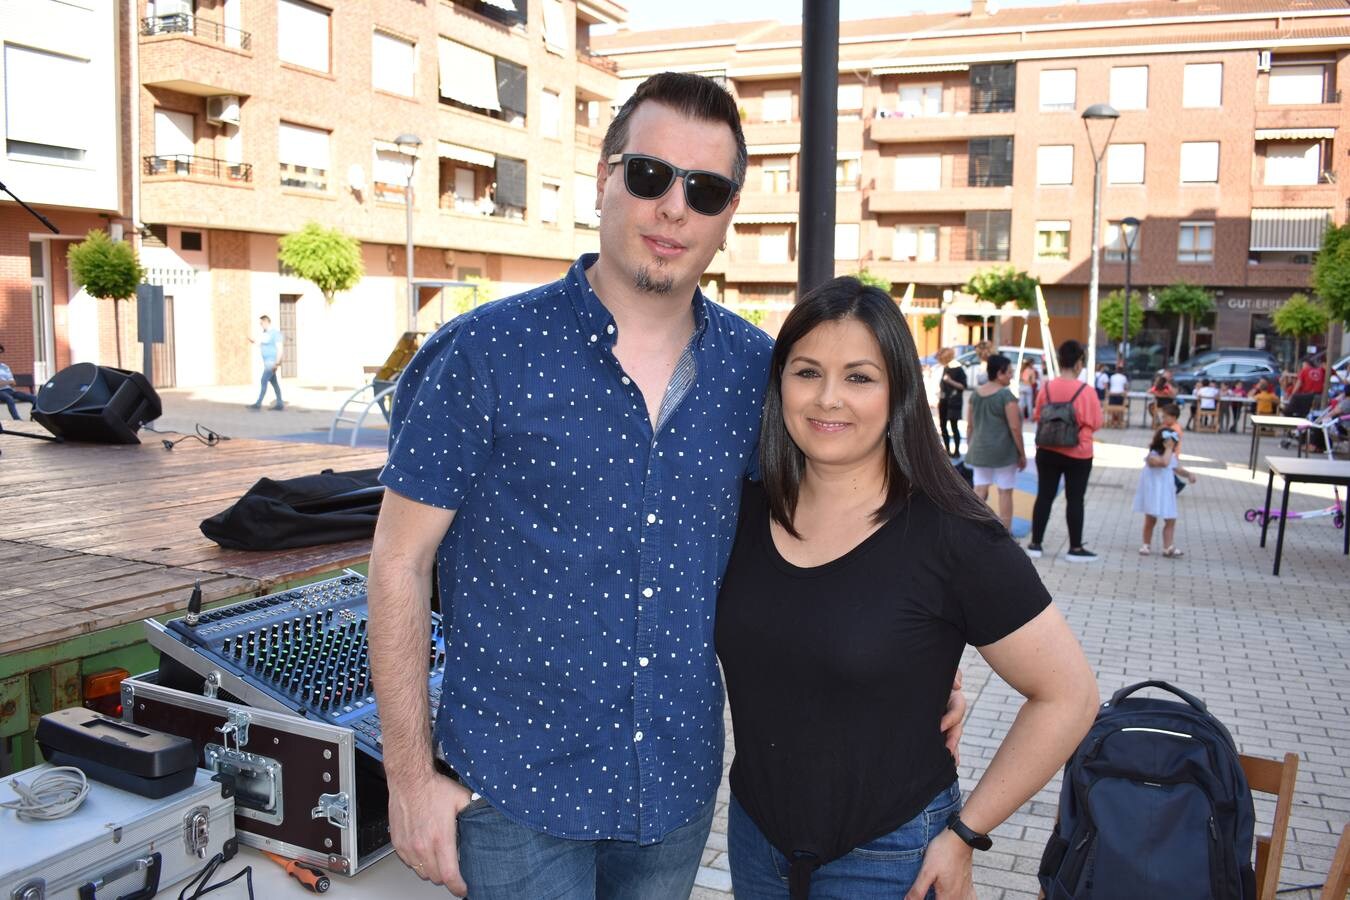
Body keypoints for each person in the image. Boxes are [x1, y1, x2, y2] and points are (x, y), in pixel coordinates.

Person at [365, 72, 966, 899]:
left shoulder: (758, 375)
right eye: (650, 176)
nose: (673, 208)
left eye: (706, 189)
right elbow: (399, 562)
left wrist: (920, 661)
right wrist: (407, 778)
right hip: (510, 792)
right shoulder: (482, 355)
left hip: (674, 792)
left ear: (728, 216)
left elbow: (826, 529)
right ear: (605, 177)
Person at [716, 279, 1098, 900]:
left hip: (895, 860)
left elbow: (1070, 697)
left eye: (859, 377)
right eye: (807, 371)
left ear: (898, 389)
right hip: (757, 843)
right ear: (778, 382)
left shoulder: (950, 533)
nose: (828, 398)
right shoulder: (742, 510)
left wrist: (967, 835)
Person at [1028, 339, 1103, 561]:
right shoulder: (1087, 391)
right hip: (1078, 452)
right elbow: (1096, 422)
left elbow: (1038, 415)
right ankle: (1075, 548)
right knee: (1075, 498)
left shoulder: (1047, 387)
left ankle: (1035, 544)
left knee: (1044, 496)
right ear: (1080, 363)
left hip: (1047, 448)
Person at [965, 353, 1026, 531]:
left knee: (979, 490)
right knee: (1005, 491)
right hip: (1003, 452)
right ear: (999, 373)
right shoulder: (1006, 397)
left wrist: (971, 446)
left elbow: (970, 426)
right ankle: (1005, 532)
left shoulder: (975, 395)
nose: (1011, 375)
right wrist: (1021, 453)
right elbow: (1015, 428)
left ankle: (974, 528)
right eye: (1009, 372)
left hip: (979, 449)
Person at [1133, 424, 1197, 558]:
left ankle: (1168, 546)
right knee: (1151, 519)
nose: (1173, 446)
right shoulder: (1152, 456)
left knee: (1170, 519)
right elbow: (1164, 463)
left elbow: (1176, 468)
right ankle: (1146, 544)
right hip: (1154, 493)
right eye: (1171, 443)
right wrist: (1169, 449)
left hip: (1167, 493)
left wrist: (1188, 474)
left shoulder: (1171, 456)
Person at [247, 314, 284, 410]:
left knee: (263, 380)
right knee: (274, 383)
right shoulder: (265, 334)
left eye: (261, 323)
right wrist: (253, 341)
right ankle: (280, 404)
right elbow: (262, 346)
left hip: (271, 362)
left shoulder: (275, 334)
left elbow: (280, 349)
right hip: (267, 362)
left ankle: (258, 403)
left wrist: (277, 363)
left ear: (266, 322)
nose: (261, 325)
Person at [937, 347, 967, 456]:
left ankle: (957, 451)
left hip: (954, 402)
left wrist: (950, 381)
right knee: (943, 425)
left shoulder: (958, 368)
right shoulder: (946, 368)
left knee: (954, 426)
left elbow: (963, 386)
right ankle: (948, 449)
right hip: (944, 401)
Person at [0, 344, 38, 420]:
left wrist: (5, 382)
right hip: (1, 392)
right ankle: (17, 419)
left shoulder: (4, 366)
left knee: (34, 398)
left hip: (10, 390)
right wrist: (8, 382)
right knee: (9, 399)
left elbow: (14, 383)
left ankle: (35, 417)